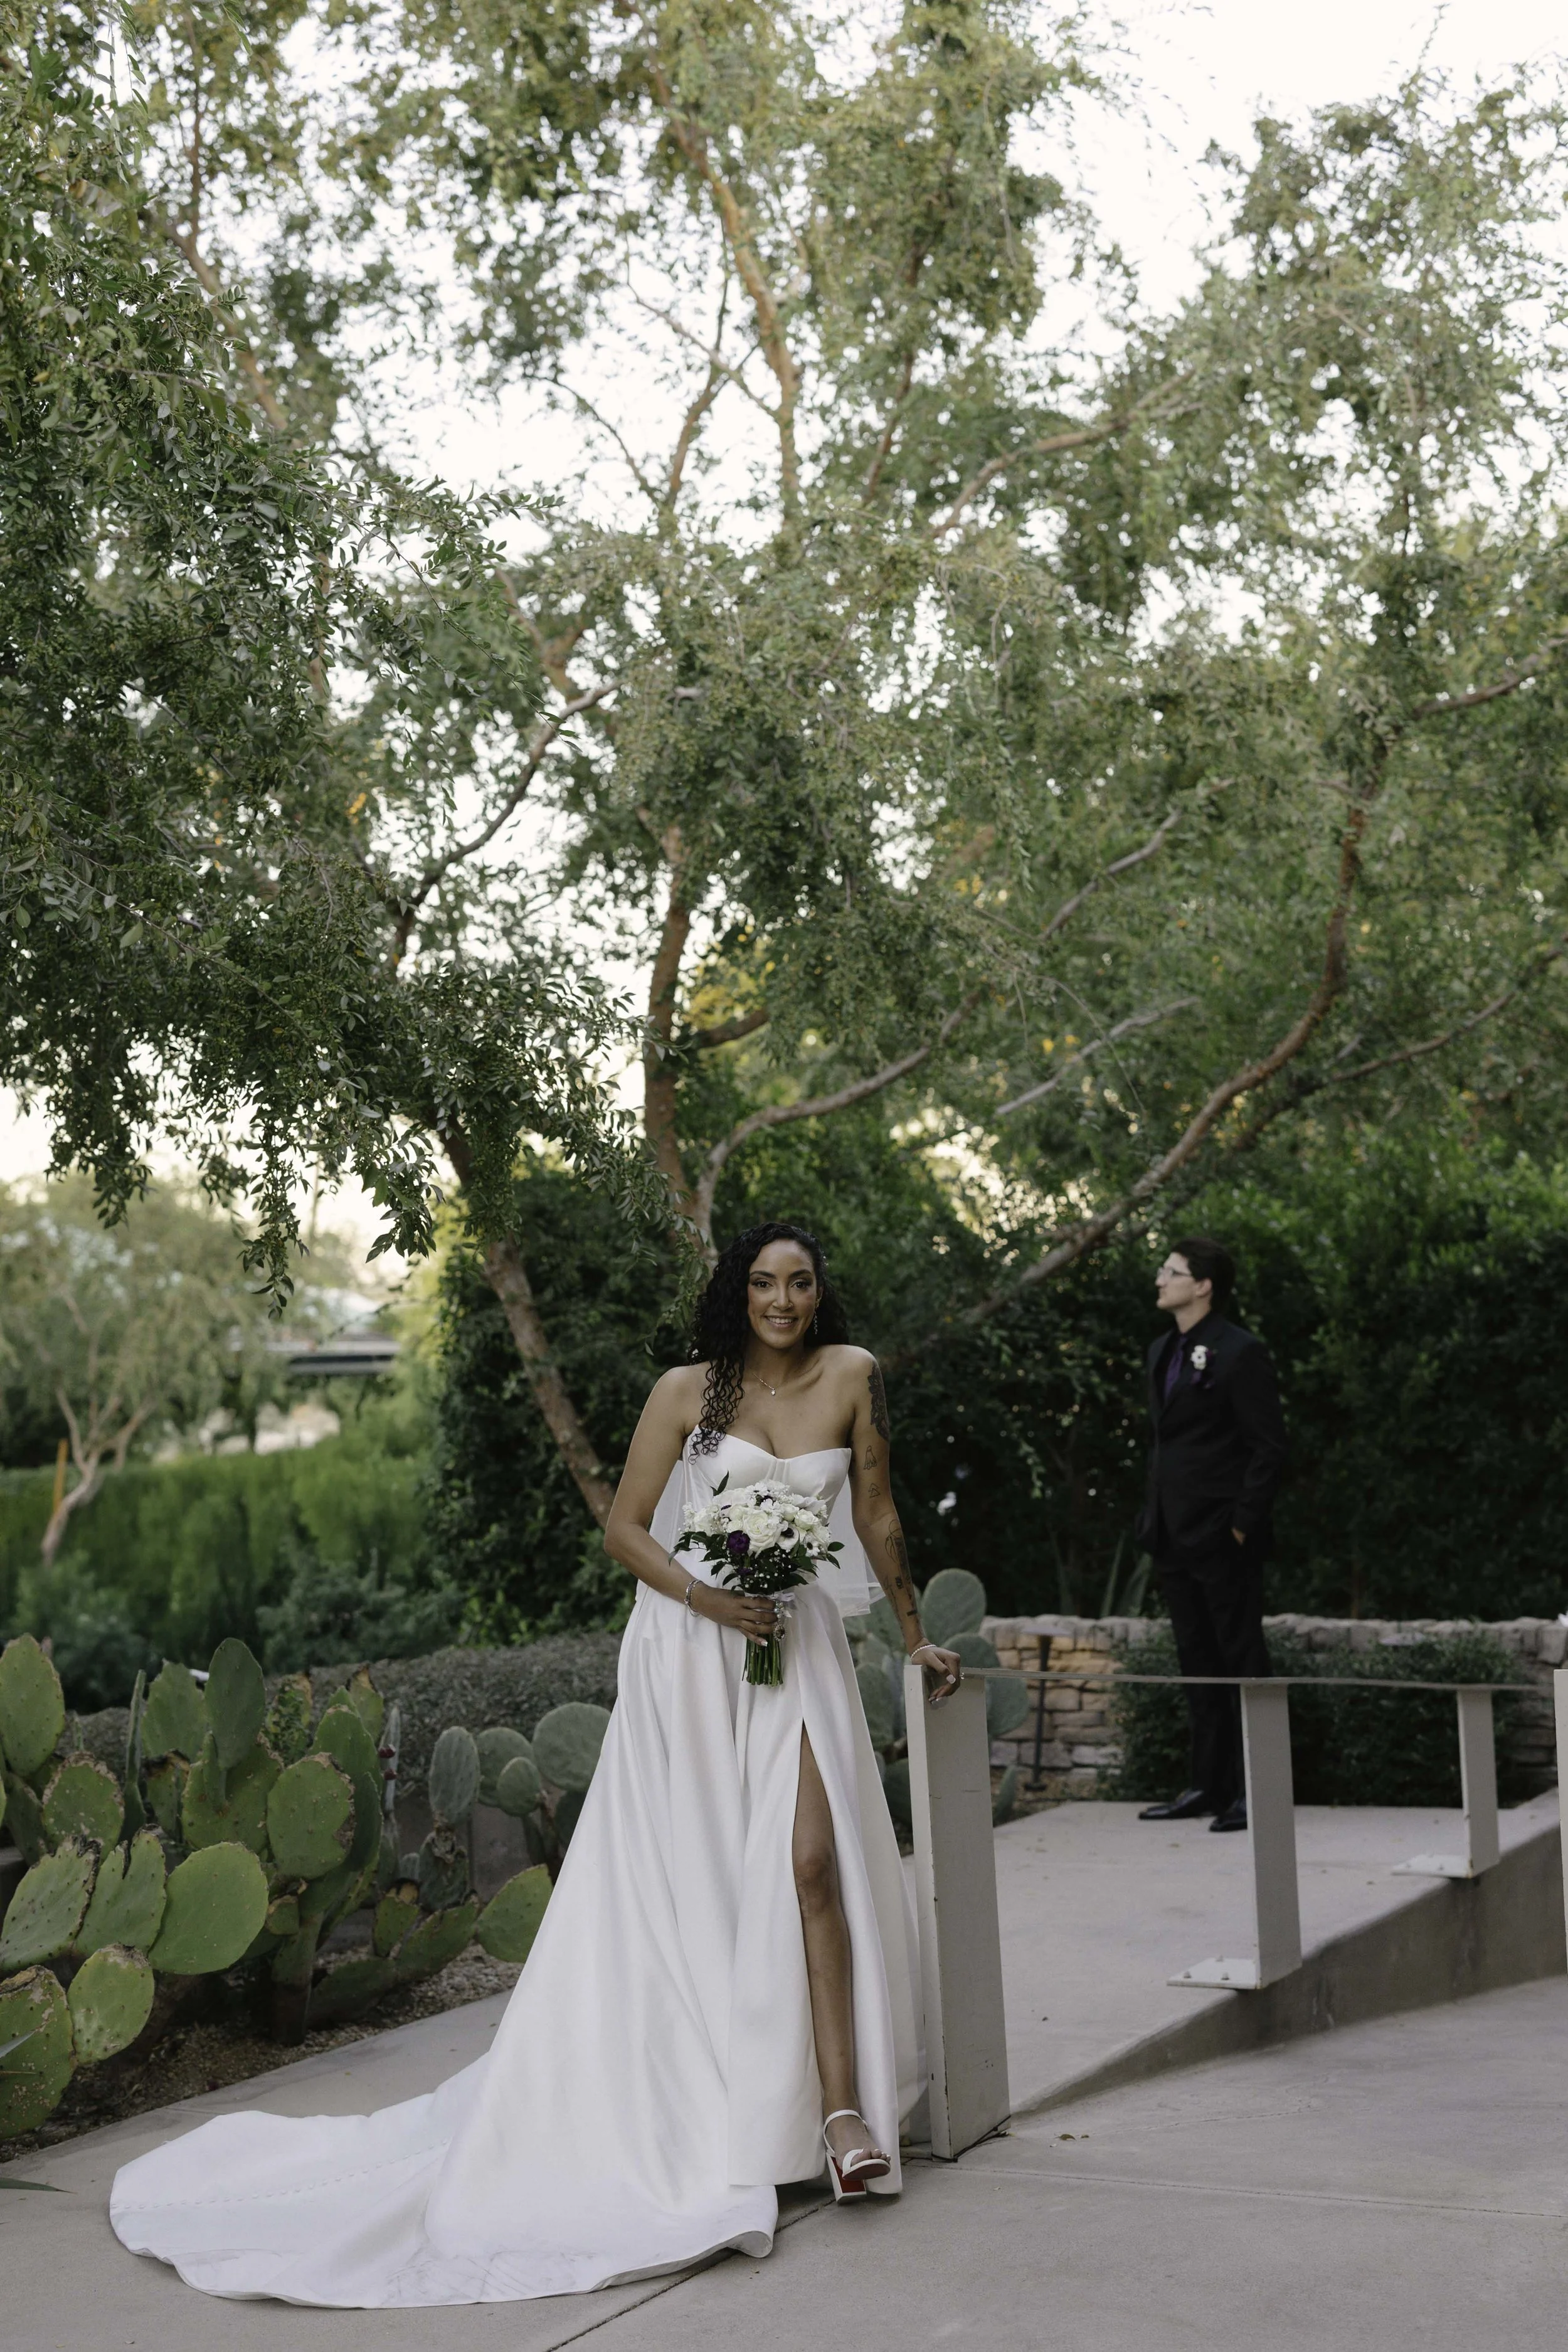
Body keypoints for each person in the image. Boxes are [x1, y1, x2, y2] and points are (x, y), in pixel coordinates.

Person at [110, 1220, 963, 2306]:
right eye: (764, 1283)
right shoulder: (686, 1391)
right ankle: (720, 2105)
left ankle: (841, 2117)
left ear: (820, 1291)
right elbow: (626, 1529)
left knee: (810, 1863)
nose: (783, 1301)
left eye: (800, 1283)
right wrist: (707, 1597)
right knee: (706, 1878)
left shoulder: (853, 1375)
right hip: (691, 1649)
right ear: (738, 1293)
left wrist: (915, 1632)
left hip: (796, 1646)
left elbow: (877, 1512)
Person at [1134, 1236, 1288, 1833]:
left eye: (1170, 1271)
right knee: (1196, 1662)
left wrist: (1242, 1526)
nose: (1159, 1279)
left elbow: (1268, 1447)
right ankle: (1207, 1785)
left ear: (1202, 1285)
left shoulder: (1240, 1352)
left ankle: (1258, 1791)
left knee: (1243, 1658)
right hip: (1171, 1533)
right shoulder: (1161, 1350)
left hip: (1223, 1537)